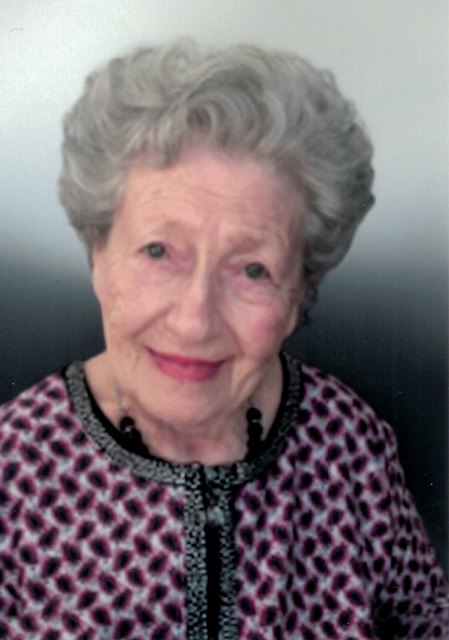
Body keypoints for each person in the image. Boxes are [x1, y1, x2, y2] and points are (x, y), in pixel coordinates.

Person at [0, 40, 447, 640]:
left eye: (253, 270)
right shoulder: (14, 468)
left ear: (298, 293)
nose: (194, 321)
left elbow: (427, 619)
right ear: (98, 258)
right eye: (158, 251)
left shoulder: (350, 444)